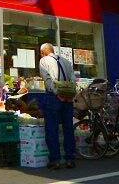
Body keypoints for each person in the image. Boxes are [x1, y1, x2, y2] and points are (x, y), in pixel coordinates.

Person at [39, 42, 76, 170]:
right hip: (69, 97)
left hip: (53, 98)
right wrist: (68, 94)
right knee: (68, 128)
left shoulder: (44, 60)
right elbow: (72, 79)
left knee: (52, 128)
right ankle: (70, 158)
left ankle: (55, 160)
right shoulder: (66, 61)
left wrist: (57, 92)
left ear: (43, 52)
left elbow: (48, 79)